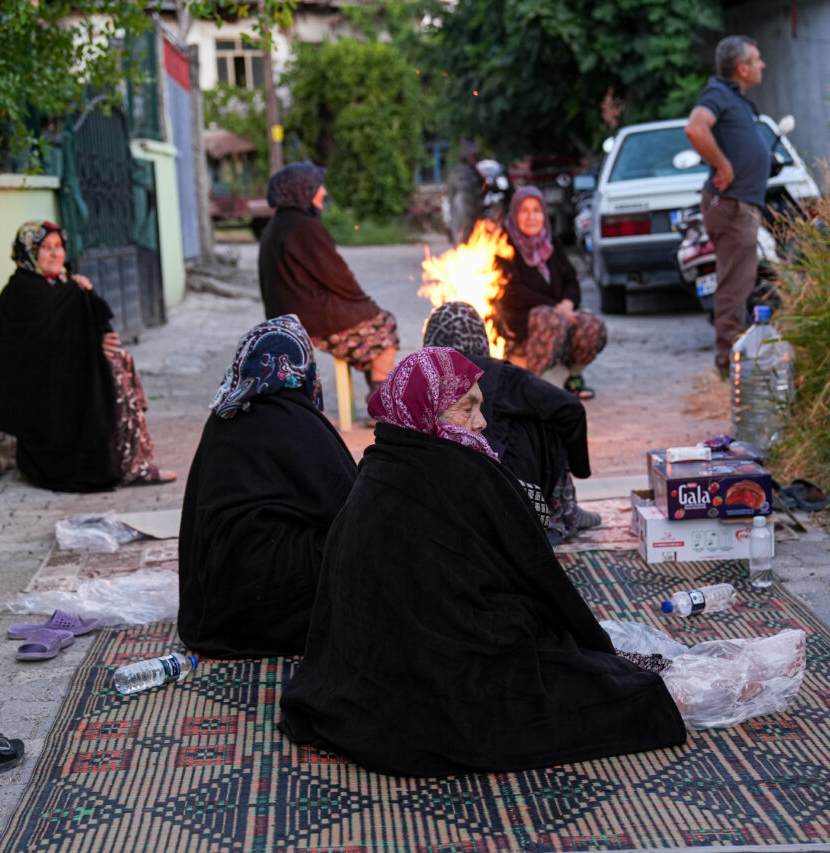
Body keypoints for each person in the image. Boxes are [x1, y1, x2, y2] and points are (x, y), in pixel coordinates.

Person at [278, 348, 688, 777]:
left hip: (370, 681)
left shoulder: (381, 461)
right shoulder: (461, 470)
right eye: (466, 407)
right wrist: (595, 649)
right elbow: (539, 578)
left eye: (480, 404)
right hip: (445, 675)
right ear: (427, 411)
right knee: (613, 690)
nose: (482, 421)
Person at [178, 315, 358, 658]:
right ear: (302, 369)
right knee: (357, 550)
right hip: (271, 603)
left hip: (217, 605)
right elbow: (352, 509)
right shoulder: (298, 421)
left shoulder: (223, 416)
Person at [0, 220, 175, 492]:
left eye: (59, 247)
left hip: (60, 377)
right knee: (109, 373)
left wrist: (81, 296)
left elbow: (72, 326)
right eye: (46, 248)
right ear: (28, 253)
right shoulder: (22, 293)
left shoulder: (55, 284)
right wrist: (90, 346)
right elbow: (31, 354)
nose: (55, 254)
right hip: (38, 395)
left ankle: (132, 461)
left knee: (117, 360)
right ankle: (125, 466)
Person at [422, 301, 600, 543]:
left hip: (434, 496)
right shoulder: (497, 373)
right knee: (545, 413)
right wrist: (581, 469)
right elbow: (570, 408)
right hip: (502, 493)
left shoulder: (418, 378)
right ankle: (561, 510)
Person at [257, 162, 400, 408]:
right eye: (317, 186)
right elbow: (337, 276)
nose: (323, 191)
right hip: (310, 320)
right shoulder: (303, 227)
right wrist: (365, 304)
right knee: (384, 326)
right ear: (301, 190)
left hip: (288, 315)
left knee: (373, 324)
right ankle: (384, 405)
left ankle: (380, 396)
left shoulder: (279, 224)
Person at [684, 35, 772, 375]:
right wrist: (723, 165)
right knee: (734, 287)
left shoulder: (734, 99)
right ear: (742, 68)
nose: (762, 64)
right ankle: (729, 368)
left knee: (740, 284)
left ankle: (734, 360)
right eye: (757, 58)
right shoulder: (718, 94)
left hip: (742, 206)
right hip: (732, 207)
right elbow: (695, 129)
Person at [493, 185, 607, 399]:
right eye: (524, 211)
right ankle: (538, 387)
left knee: (592, 325)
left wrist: (567, 304)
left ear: (544, 214)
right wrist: (556, 308)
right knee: (551, 319)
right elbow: (513, 291)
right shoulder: (504, 245)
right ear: (515, 214)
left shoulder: (551, 243)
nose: (531, 217)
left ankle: (570, 378)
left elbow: (571, 281)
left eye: (536, 211)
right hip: (521, 325)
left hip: (558, 317)